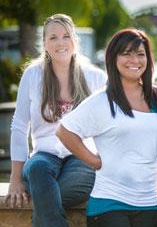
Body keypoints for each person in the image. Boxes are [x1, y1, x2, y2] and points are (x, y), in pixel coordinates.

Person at [56, 28, 157, 227]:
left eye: (140, 54)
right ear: (113, 59)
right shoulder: (102, 101)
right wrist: (94, 161)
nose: (134, 60)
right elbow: (64, 131)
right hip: (109, 204)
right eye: (126, 53)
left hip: (148, 203)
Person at [5, 14, 107, 227]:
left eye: (65, 36)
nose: (60, 43)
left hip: (80, 155)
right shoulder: (33, 75)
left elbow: (110, 125)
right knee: (36, 169)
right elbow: (19, 126)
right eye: (53, 37)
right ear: (44, 43)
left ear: (74, 41)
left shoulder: (96, 77)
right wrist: (15, 180)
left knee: (45, 196)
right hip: (44, 154)